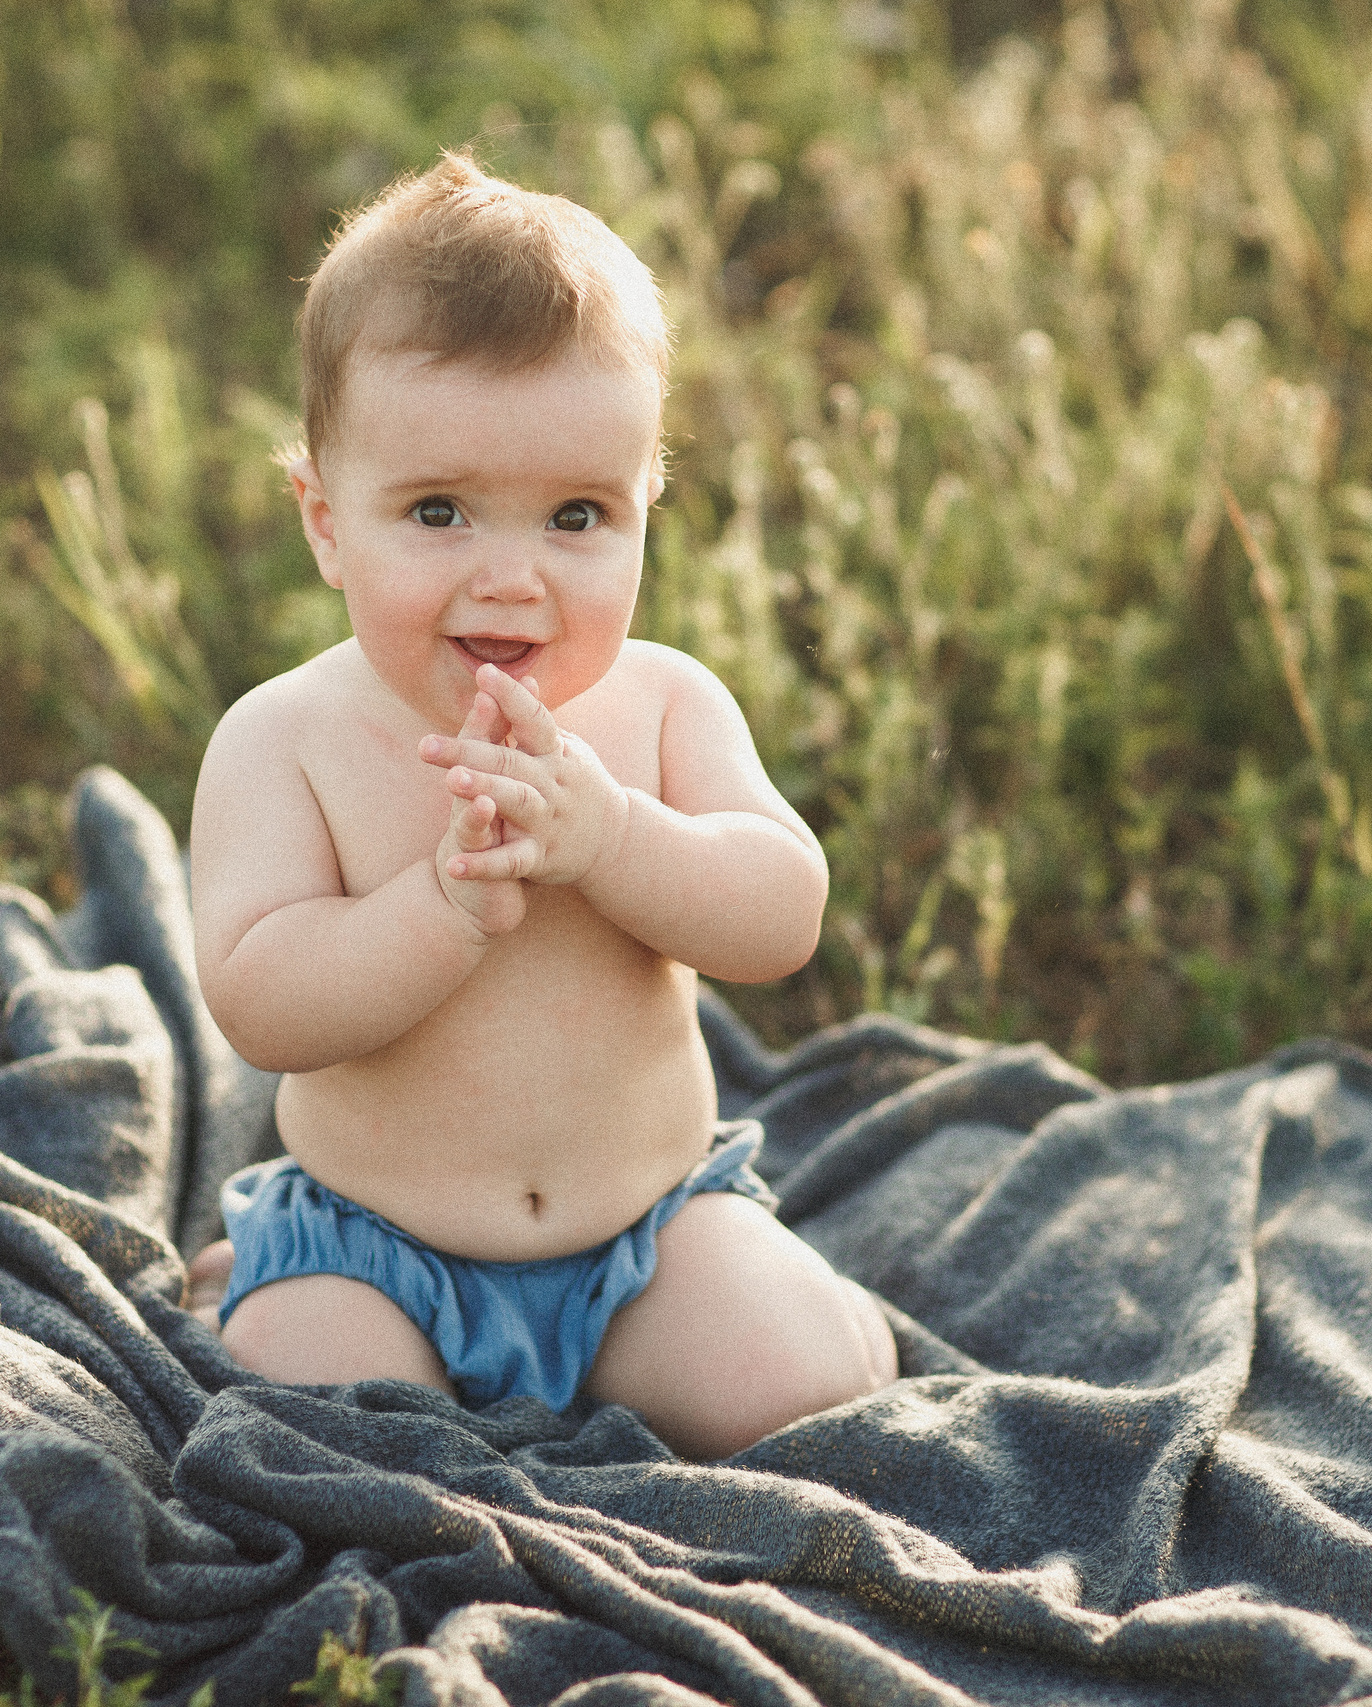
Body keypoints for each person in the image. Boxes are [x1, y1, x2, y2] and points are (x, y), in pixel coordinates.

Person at [180, 153, 897, 1459]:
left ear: (646, 511)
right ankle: (267, 1280)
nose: (511, 581)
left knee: (800, 1392)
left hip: (644, 1236)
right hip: (374, 1244)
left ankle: (805, 1310)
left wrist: (616, 839)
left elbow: (780, 914)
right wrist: (442, 908)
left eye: (576, 516)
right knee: (313, 1422)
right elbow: (261, 1000)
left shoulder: (666, 708)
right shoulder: (286, 740)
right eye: (439, 512)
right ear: (326, 520)